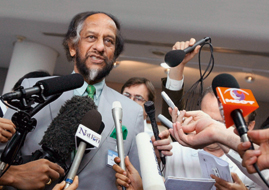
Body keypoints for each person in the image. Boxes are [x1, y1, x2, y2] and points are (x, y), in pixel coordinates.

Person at [0, 11, 144, 190]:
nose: (100, 47)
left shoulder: (132, 113)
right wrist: (14, 174)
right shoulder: (34, 89)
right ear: (72, 46)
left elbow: (135, 178)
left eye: (109, 41)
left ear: (114, 54)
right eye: (91, 37)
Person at [167, 86, 264, 189]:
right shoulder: (172, 152)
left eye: (222, 123)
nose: (209, 126)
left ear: (249, 126)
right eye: (207, 118)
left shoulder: (258, 161)